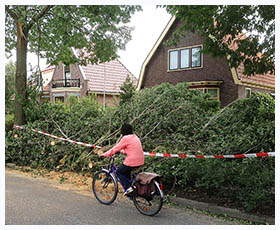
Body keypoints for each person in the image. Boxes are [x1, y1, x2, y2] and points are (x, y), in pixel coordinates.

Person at [101, 123, 144, 195]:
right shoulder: (135, 137)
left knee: (119, 172)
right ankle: (132, 190)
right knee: (126, 172)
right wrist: (122, 151)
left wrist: (105, 154)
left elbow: (115, 148)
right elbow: (132, 149)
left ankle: (128, 188)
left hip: (132, 161)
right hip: (140, 160)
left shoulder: (126, 138)